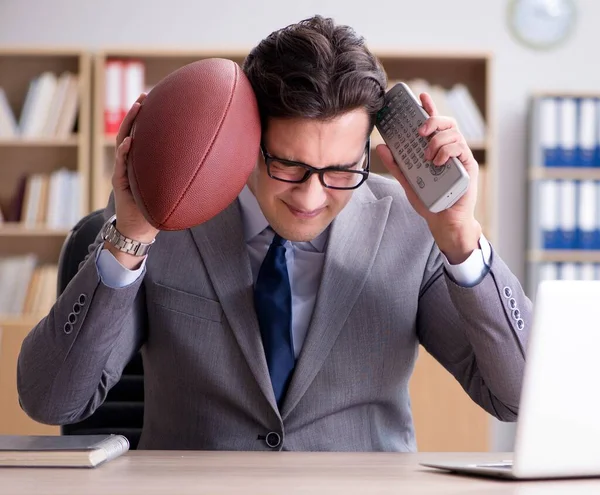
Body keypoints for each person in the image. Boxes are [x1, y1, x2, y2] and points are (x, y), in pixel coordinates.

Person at [17, 15, 531, 452]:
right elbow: (51, 400)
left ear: (367, 153)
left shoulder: (413, 228)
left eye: (340, 171)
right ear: (249, 134)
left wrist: (462, 237)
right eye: (288, 166)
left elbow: (518, 399)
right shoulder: (167, 216)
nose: (310, 199)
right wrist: (130, 234)